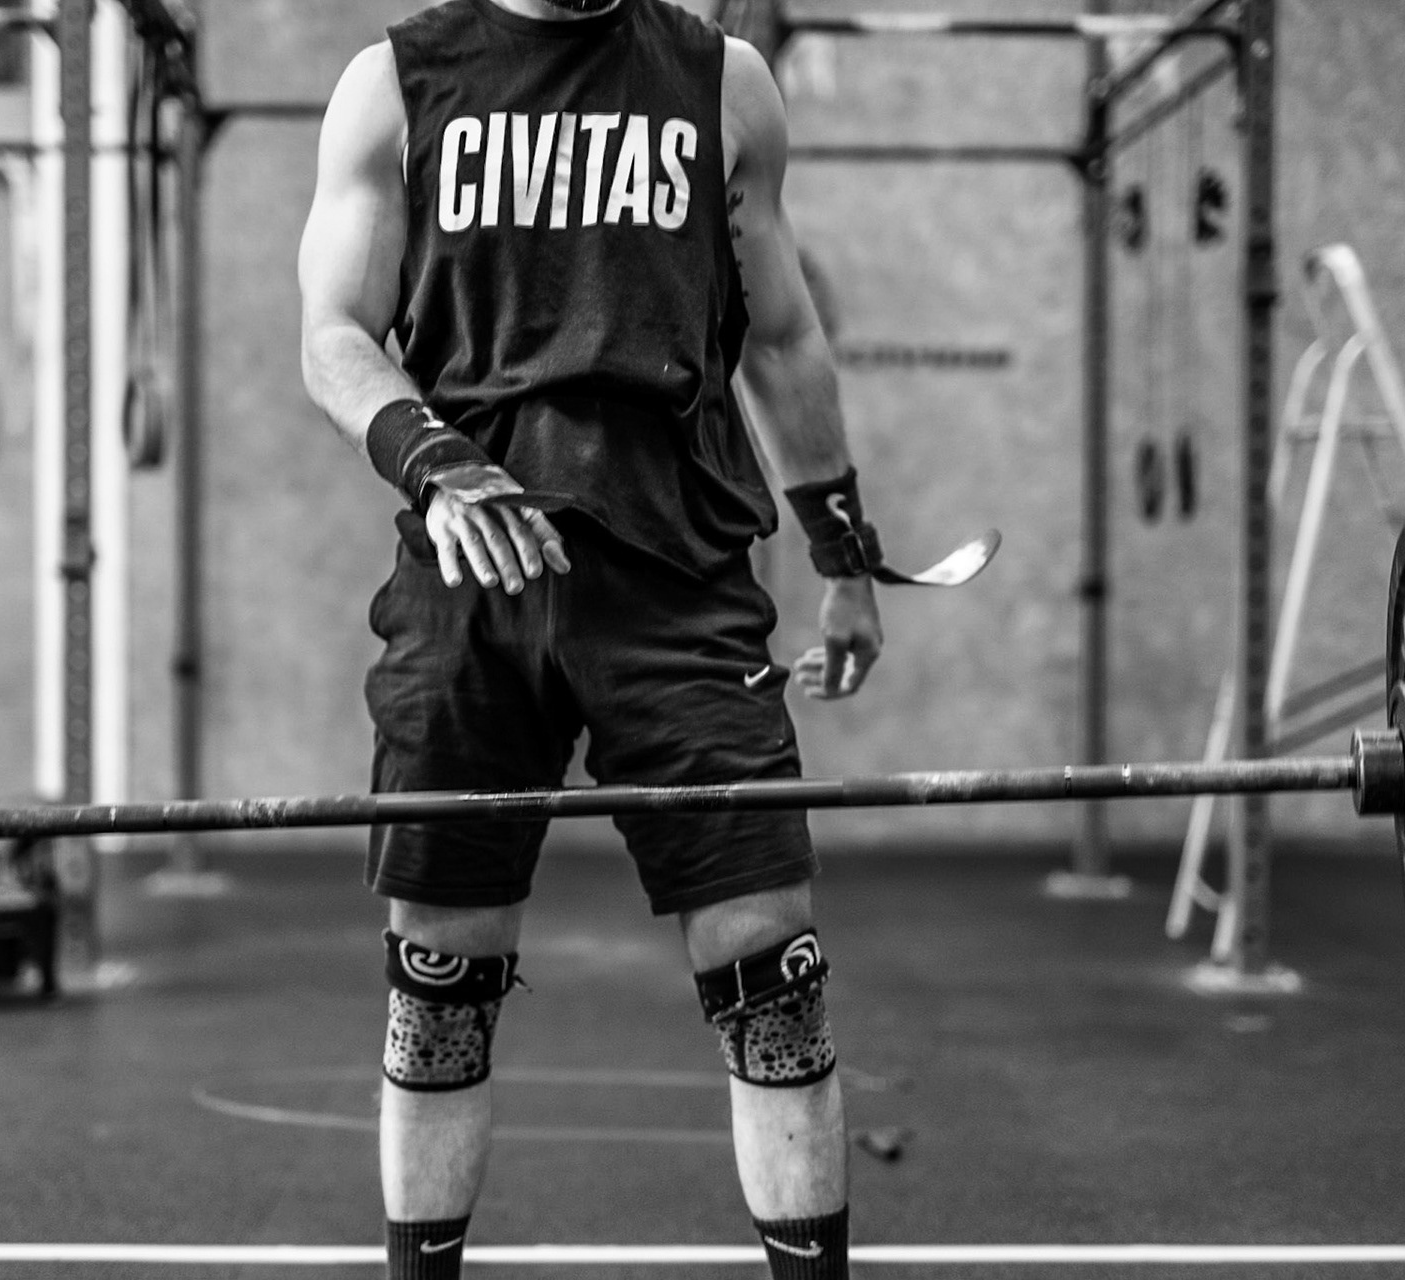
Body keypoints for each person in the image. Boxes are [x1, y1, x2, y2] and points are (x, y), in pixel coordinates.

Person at [299, 0, 894, 1275]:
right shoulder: (394, 85)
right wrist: (432, 459)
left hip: (678, 576)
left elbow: (784, 337)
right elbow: (333, 333)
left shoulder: (723, 81)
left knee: (774, 983)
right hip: (471, 577)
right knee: (441, 988)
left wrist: (844, 558)